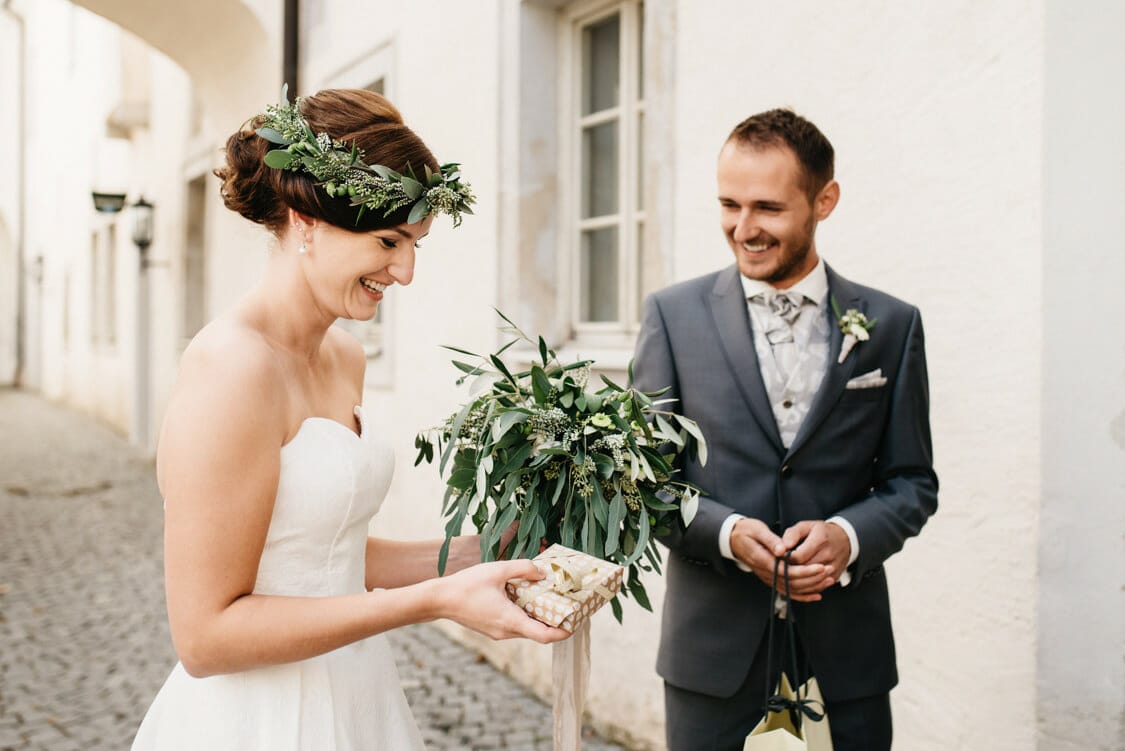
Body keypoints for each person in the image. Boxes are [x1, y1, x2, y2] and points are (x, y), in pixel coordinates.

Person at [131, 88, 569, 751]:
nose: (406, 271)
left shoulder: (342, 355)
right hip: (259, 718)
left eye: (416, 243)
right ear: (306, 221)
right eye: (390, 240)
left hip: (356, 695)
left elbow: (319, 552)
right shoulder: (230, 367)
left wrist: (475, 552)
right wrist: (432, 601)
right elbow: (205, 636)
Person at [632, 108, 938, 751]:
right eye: (728, 205)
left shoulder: (890, 324)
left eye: (768, 208)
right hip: (711, 658)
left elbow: (912, 483)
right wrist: (729, 532)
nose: (744, 229)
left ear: (824, 200)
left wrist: (849, 537)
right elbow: (644, 484)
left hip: (847, 655)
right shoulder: (672, 316)